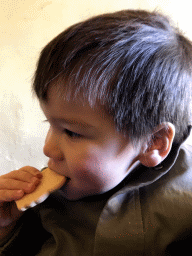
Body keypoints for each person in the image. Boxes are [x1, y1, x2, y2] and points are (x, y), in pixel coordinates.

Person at [0, 9, 192, 256]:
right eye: (50, 124)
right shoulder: (47, 201)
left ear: (152, 142)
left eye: (71, 132)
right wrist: (6, 227)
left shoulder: (185, 210)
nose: (48, 149)